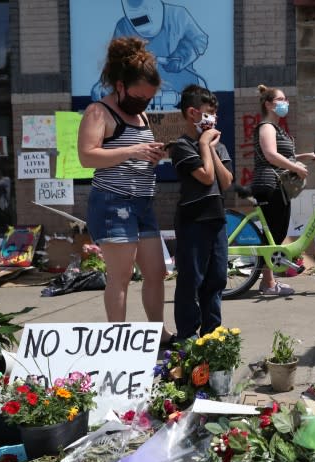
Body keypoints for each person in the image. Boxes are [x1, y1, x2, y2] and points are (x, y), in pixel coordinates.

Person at [78, 36, 175, 347]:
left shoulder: (141, 115)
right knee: (120, 277)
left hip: (143, 201)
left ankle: (157, 332)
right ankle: (116, 340)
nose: (144, 103)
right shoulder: (98, 111)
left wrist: (154, 155)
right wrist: (134, 151)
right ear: (120, 85)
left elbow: (136, 152)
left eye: (149, 98)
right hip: (112, 202)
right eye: (139, 96)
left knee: (156, 271)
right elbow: (87, 156)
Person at [170, 85, 233, 339]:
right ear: (192, 113)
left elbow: (226, 181)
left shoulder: (218, 146)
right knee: (190, 281)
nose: (213, 118)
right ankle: (187, 336)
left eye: (215, 113)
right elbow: (206, 178)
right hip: (192, 221)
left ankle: (211, 335)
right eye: (208, 112)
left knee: (216, 279)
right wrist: (205, 145)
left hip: (216, 220)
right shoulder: (182, 146)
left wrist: (211, 148)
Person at [251, 84, 315, 296]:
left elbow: (282, 156)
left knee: (276, 234)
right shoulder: (267, 127)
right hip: (269, 184)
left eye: (285, 99)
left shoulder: (277, 128)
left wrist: (303, 157)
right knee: (273, 234)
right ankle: (268, 284)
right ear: (269, 104)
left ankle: (267, 282)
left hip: (279, 186)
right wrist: (296, 167)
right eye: (280, 100)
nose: (285, 103)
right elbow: (270, 155)